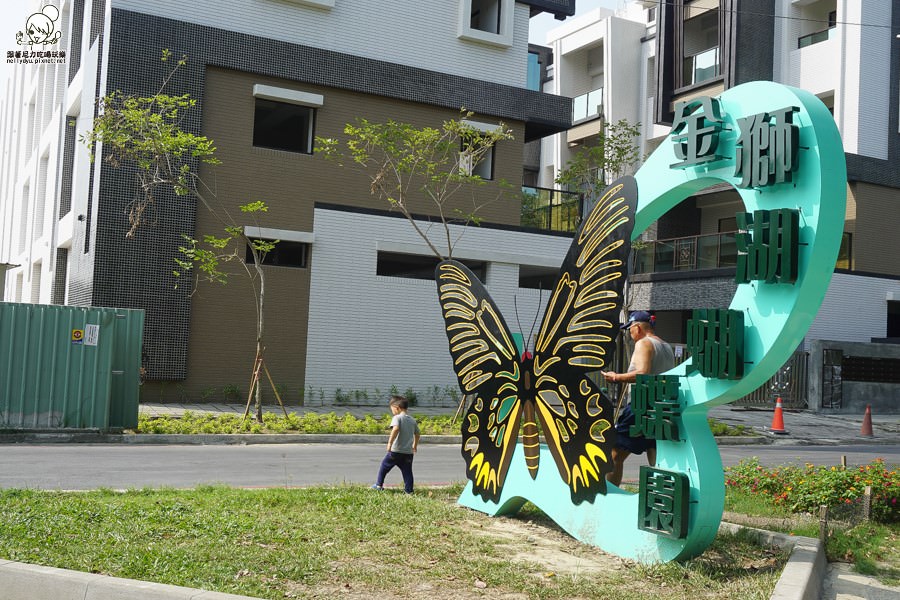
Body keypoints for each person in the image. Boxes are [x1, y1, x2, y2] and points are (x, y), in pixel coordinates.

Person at [601, 310, 676, 487]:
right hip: (661, 406)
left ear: (637, 327)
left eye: (629, 329)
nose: (629, 333)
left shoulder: (644, 343)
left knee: (615, 455)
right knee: (657, 457)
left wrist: (615, 377)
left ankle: (610, 497)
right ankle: (663, 496)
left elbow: (643, 373)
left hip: (641, 405)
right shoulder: (665, 346)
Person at [372, 395, 421, 493]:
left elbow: (396, 429)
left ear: (397, 408)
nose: (392, 412)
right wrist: (414, 446)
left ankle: (378, 485)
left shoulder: (397, 418)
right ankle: (409, 491)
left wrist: (390, 443)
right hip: (408, 452)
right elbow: (417, 433)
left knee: (384, 466)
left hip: (396, 451)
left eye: (392, 410)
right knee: (407, 472)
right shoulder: (412, 420)